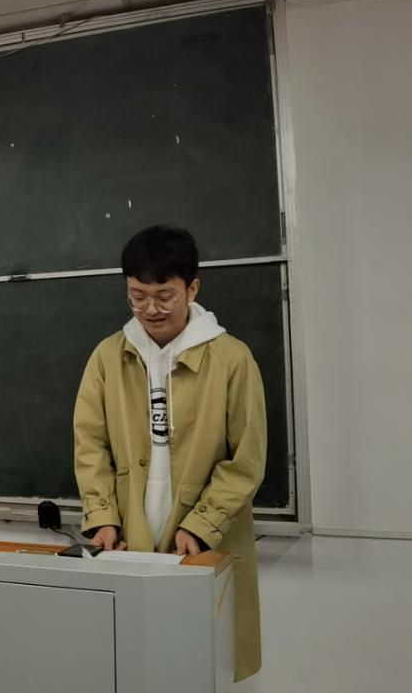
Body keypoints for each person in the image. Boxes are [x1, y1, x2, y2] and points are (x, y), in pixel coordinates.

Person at [72, 225, 267, 681]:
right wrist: (102, 515)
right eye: (137, 296)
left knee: (201, 664)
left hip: (204, 539)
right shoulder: (108, 356)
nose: (150, 309)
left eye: (164, 296)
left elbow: (247, 460)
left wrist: (202, 525)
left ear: (192, 288)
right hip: (127, 538)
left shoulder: (232, 359)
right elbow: (90, 444)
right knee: (132, 665)